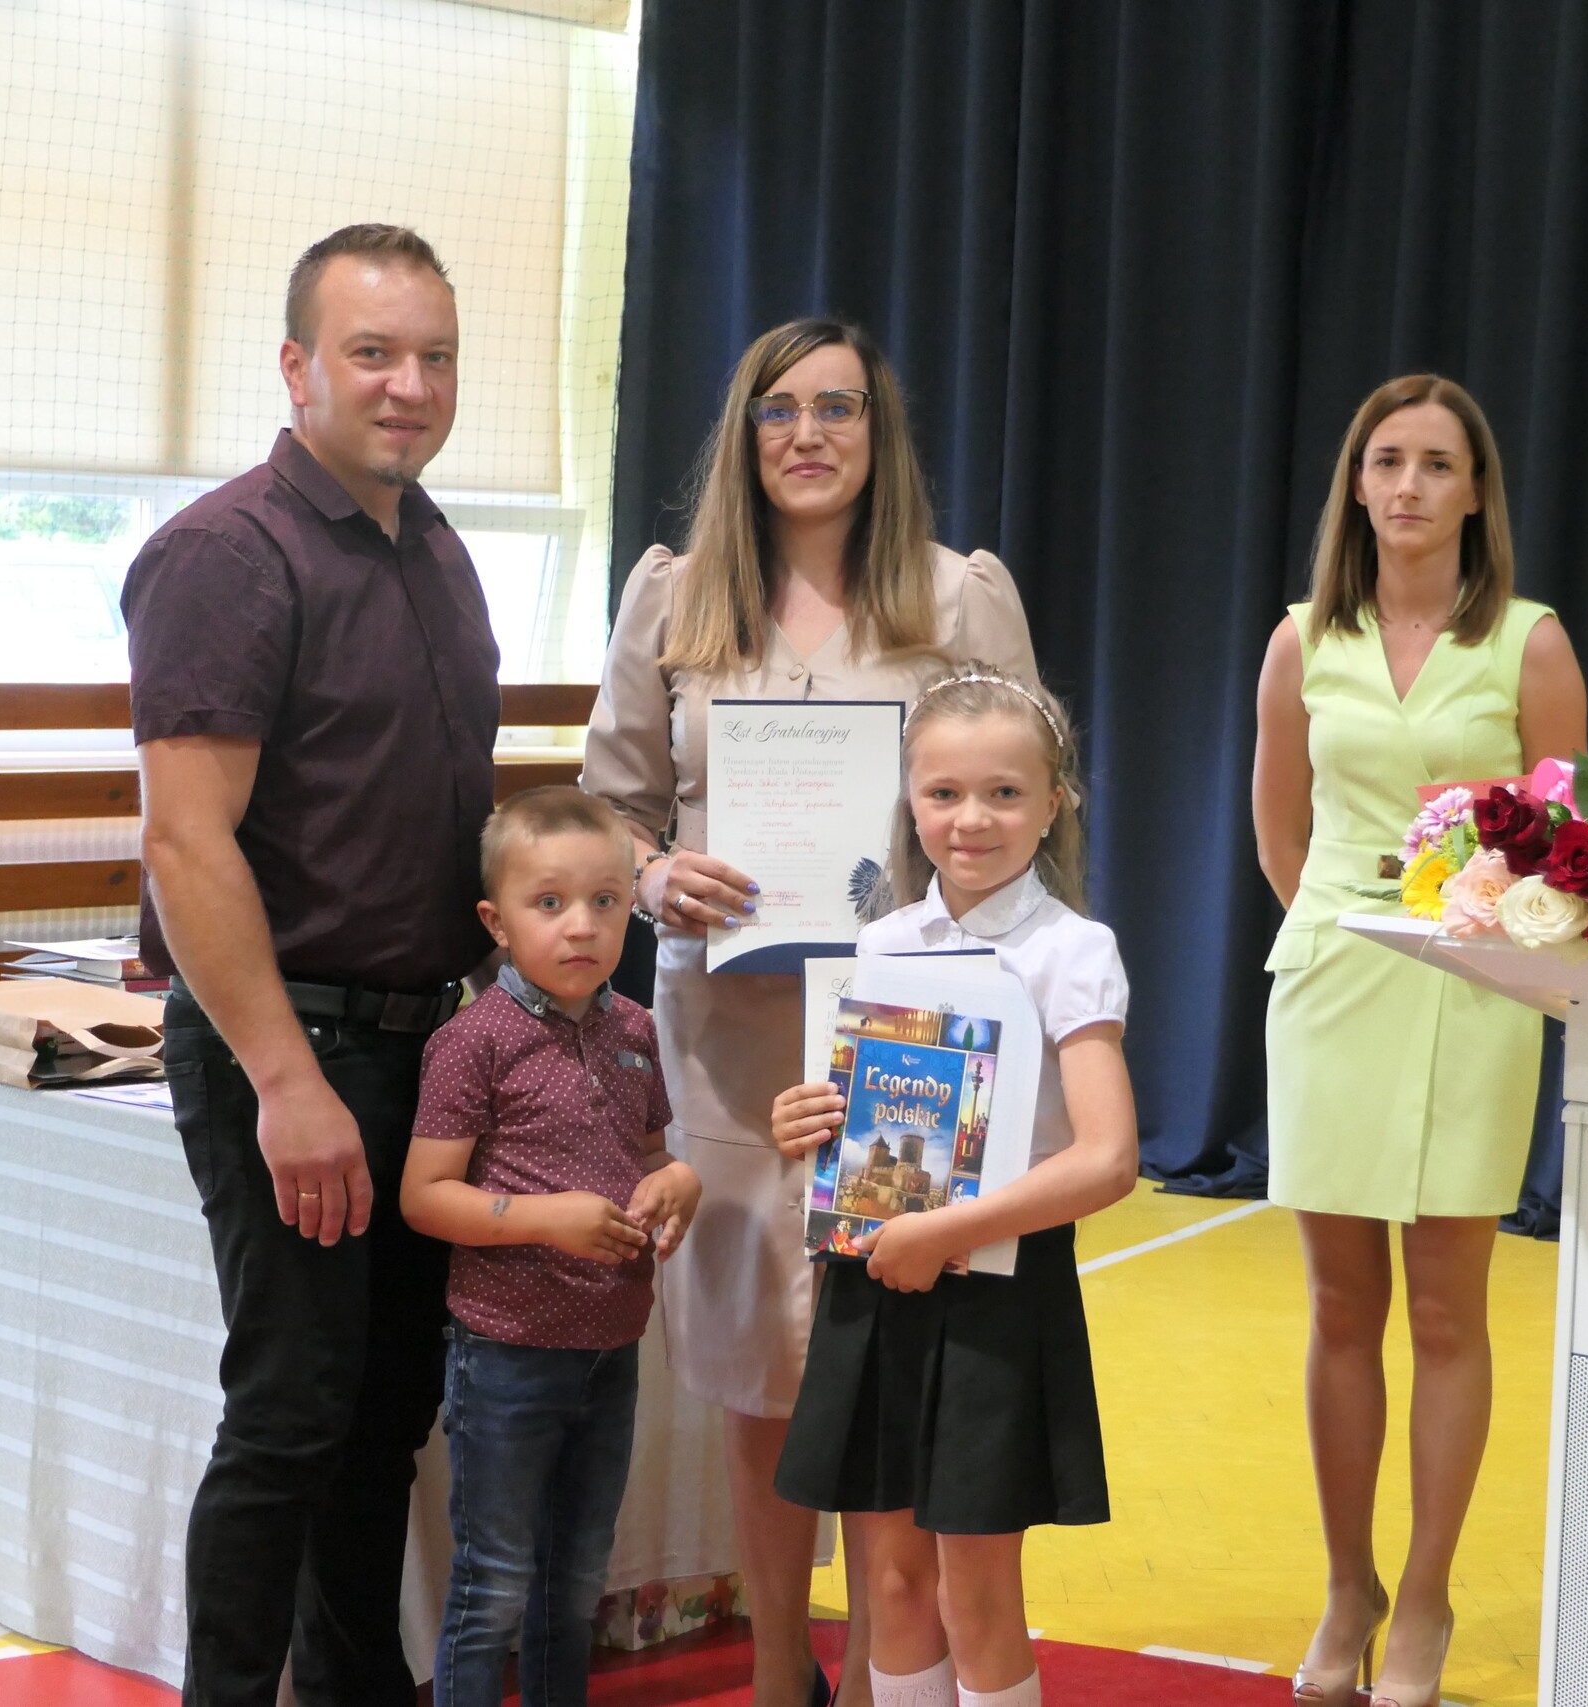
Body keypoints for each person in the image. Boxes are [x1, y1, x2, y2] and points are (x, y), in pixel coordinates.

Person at [582, 317, 1037, 1707]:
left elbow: (1024, 801)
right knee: (758, 1364)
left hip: (906, 1032)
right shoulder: (674, 597)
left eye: (837, 407)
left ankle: (895, 1664)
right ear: (744, 436)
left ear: (877, 431)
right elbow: (612, 807)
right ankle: (782, 1668)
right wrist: (653, 874)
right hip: (728, 1035)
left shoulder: (957, 596)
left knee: (892, 1340)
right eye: (778, 410)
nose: (808, 435)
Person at [125, 223, 497, 1707]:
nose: (409, 385)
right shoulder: (229, 554)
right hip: (298, 1046)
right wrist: (286, 1080)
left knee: (384, 1412)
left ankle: (355, 1688)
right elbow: (185, 842)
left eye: (435, 356)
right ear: (297, 367)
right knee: (290, 1412)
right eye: (372, 353)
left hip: (426, 1047)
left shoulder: (436, 546)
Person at [1250, 375, 1588, 1707]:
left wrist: (1467, 928)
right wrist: (1349, 929)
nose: (1407, 484)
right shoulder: (1300, 641)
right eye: (1385, 459)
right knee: (1340, 1307)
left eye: (1436, 463)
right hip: (1334, 976)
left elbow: (1568, 841)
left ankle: (1429, 1595)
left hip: (1475, 987)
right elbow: (1281, 831)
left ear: (1476, 491)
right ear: (1355, 482)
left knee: (1449, 1309)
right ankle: (1350, 1586)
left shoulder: (1529, 642)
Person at [768, 666, 1139, 1707]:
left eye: (1004, 793)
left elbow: (1109, 1157)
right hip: (877, 1280)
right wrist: (803, 1122)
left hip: (997, 1293)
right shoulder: (881, 943)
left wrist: (948, 1230)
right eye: (943, 792)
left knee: (976, 1590)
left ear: (1053, 802)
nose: (971, 819)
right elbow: (866, 1128)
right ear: (910, 800)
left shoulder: (1071, 951)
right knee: (891, 1583)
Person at [401, 788, 704, 1707]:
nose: (582, 925)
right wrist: (547, 1217)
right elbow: (425, 1196)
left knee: (574, 1584)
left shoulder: (636, 1030)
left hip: (611, 1350)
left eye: (606, 901)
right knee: (493, 1583)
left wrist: (680, 1183)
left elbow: (651, 1160)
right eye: (549, 902)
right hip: (506, 1352)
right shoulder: (473, 1042)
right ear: (497, 921)